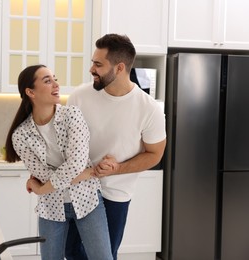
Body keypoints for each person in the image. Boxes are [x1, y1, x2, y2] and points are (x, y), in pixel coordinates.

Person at [65, 34, 166, 260]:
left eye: (98, 64)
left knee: (103, 255)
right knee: (71, 252)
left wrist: (117, 168)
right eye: (93, 62)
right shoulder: (79, 97)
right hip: (77, 189)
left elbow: (155, 154)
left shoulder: (149, 109)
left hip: (114, 194)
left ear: (119, 68)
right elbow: (65, 144)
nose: (92, 69)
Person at [5, 64, 113, 260]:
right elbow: (46, 174)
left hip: (87, 199)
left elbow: (76, 164)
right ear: (30, 92)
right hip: (51, 207)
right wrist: (87, 173)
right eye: (47, 81)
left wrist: (41, 189)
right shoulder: (20, 135)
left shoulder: (72, 115)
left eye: (55, 78)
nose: (56, 84)